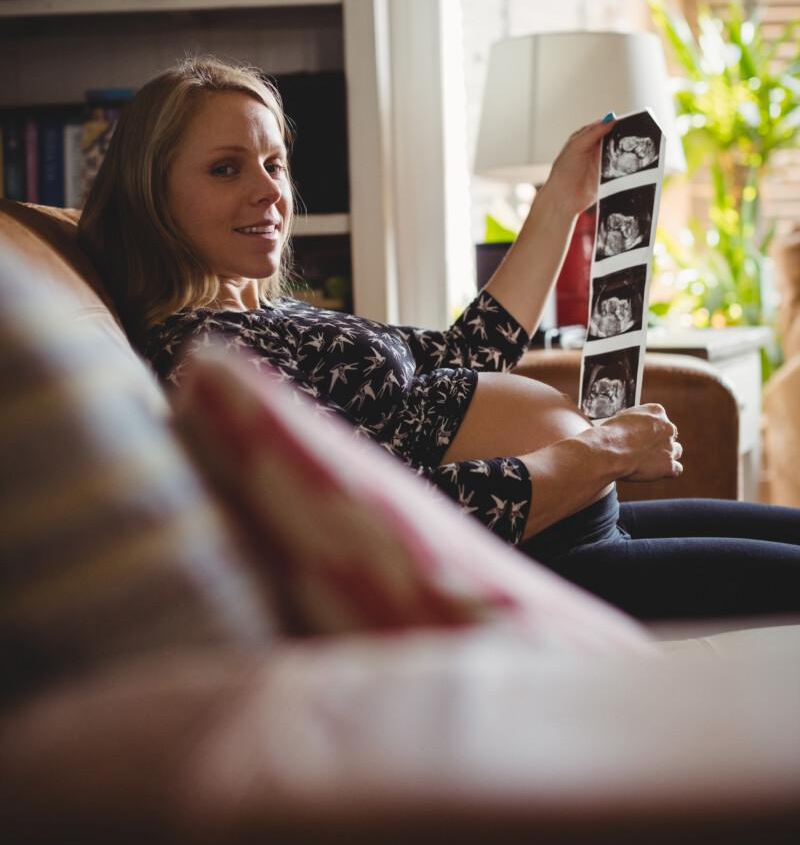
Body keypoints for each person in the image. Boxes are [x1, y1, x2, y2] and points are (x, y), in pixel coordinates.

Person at [78, 56, 800, 622]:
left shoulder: (273, 316)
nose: (270, 191)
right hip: (544, 556)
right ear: (151, 190)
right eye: (225, 167)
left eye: (275, 164)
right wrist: (598, 450)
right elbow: (375, 512)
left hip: (578, 521)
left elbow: (465, 361)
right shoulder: (201, 358)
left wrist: (560, 199)